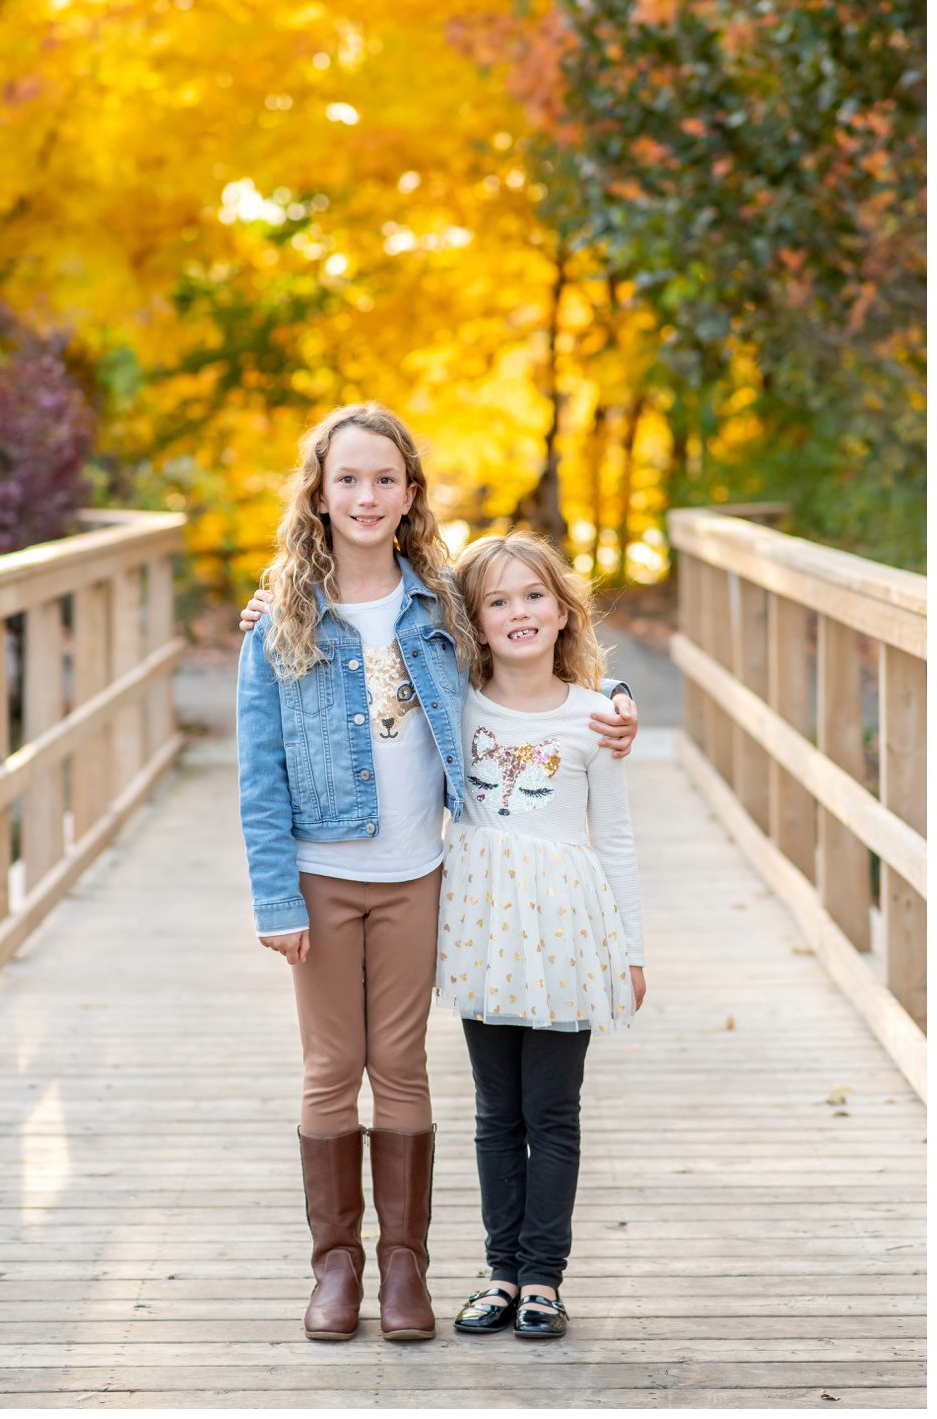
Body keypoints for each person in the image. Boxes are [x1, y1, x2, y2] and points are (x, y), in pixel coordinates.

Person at [234, 402, 638, 1342]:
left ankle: (405, 1270)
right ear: (319, 496)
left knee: (403, 1066)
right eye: (347, 480)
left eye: (385, 480)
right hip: (321, 873)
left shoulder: (440, 605)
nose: (366, 496)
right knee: (333, 1068)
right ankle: (337, 1269)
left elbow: (529, 639)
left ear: (410, 495)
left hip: (422, 872)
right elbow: (258, 776)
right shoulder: (280, 621)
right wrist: (272, 895)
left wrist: (614, 700)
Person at [437, 529, 645, 1341]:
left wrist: (630, 948)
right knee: (496, 1112)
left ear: (563, 610)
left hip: (566, 932)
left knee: (553, 1111)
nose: (518, 612)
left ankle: (542, 1280)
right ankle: (499, 1269)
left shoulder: (597, 717)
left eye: (534, 596)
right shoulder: (456, 702)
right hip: (485, 928)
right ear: (475, 622)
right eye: (497, 601)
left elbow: (617, 838)